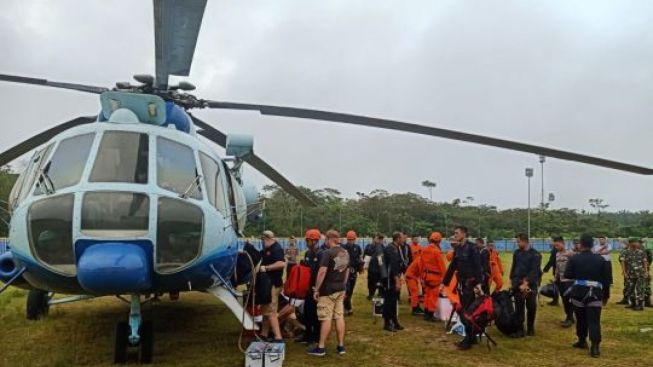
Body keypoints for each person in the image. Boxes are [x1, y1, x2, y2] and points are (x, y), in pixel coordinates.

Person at [564, 234, 612, 358]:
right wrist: (606, 296)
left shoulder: (574, 259)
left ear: (581, 244)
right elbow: (607, 279)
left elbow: (568, 274)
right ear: (592, 245)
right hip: (595, 294)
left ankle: (581, 341)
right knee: (594, 320)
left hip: (579, 292)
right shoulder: (601, 260)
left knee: (581, 319)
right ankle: (595, 347)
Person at [307, 230, 349, 357]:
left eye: (325, 239)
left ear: (330, 239)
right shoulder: (344, 252)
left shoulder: (327, 253)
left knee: (326, 318)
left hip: (327, 290)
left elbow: (322, 272)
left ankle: (321, 348)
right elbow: (345, 271)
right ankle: (341, 346)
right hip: (340, 289)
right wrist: (343, 285)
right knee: (339, 317)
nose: (324, 241)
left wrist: (316, 289)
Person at [442, 225, 482, 350]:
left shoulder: (472, 248)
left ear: (464, 234)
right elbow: (452, 267)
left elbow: (478, 267)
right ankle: (472, 336)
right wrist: (445, 282)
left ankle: (468, 339)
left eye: (457, 233)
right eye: (454, 233)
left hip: (470, 285)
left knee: (467, 312)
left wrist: (478, 284)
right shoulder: (458, 249)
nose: (455, 235)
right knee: (463, 311)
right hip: (461, 284)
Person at [509, 233, 542, 338]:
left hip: (530, 284)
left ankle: (530, 328)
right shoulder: (517, 253)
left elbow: (534, 270)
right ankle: (520, 329)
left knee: (531, 306)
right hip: (517, 283)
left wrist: (526, 283)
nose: (517, 243)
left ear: (525, 241)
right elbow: (514, 267)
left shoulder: (535, 254)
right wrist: (512, 280)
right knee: (519, 307)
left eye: (518, 241)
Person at [259, 230, 287, 342]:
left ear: (267, 239)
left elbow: (281, 263)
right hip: (267, 284)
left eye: (262, 240)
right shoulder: (267, 249)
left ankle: (278, 337)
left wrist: (266, 268)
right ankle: (264, 334)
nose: (261, 242)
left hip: (273, 284)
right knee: (265, 310)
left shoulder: (276, 249)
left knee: (271, 311)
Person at [297, 229, 323, 345]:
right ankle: (307, 335)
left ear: (315, 241)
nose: (307, 242)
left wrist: (317, 288)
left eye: (309, 240)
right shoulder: (308, 253)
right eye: (306, 240)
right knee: (307, 312)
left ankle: (316, 337)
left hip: (316, 289)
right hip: (307, 288)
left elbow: (322, 272)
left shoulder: (322, 254)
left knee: (316, 314)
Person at [382, 232, 406, 332]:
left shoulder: (397, 248)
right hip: (389, 279)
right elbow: (393, 267)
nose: (404, 239)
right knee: (389, 301)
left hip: (395, 278)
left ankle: (394, 321)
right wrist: (396, 281)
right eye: (402, 238)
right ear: (397, 239)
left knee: (394, 301)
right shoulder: (391, 249)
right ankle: (387, 323)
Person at [421, 232, 446, 322]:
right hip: (435, 277)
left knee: (427, 295)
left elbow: (421, 264)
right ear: (438, 240)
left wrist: (422, 277)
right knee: (433, 296)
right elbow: (441, 266)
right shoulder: (436, 251)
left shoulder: (424, 249)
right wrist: (445, 277)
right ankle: (430, 315)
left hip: (426, 276)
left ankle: (426, 313)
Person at [552, 236, 575, 327]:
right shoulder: (557, 254)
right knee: (564, 299)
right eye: (555, 246)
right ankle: (569, 317)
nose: (556, 247)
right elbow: (557, 267)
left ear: (563, 243)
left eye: (557, 245)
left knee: (568, 299)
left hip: (569, 280)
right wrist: (555, 277)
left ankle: (569, 318)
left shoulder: (571, 254)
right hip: (560, 280)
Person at [620, 238, 649, 311]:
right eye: (634, 243)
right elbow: (623, 262)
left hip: (640, 273)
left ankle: (640, 305)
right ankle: (633, 303)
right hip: (630, 273)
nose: (636, 244)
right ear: (630, 243)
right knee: (630, 289)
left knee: (640, 289)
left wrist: (646, 272)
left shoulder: (642, 252)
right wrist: (624, 272)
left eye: (636, 243)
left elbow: (645, 262)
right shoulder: (625, 252)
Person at [341, 230, 363, 316]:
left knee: (350, 291)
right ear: (347, 239)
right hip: (345, 272)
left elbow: (359, 258)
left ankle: (348, 307)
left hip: (354, 272)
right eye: (349, 239)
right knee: (346, 289)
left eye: (352, 239)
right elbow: (341, 261)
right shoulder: (343, 247)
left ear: (355, 239)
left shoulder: (357, 247)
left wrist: (361, 265)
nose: (351, 241)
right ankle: (346, 308)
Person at [364, 234, 385, 300]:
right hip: (371, 268)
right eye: (377, 238)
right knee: (371, 282)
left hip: (379, 268)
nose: (378, 240)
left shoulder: (382, 247)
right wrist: (365, 266)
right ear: (373, 239)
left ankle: (381, 294)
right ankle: (371, 294)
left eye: (379, 239)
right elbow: (365, 256)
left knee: (381, 282)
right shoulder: (369, 246)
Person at [542, 241, 560, 306]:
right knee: (557, 286)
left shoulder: (555, 250)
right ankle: (555, 300)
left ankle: (555, 301)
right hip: (560, 271)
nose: (550, 244)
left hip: (557, 271)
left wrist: (544, 270)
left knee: (556, 286)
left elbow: (551, 261)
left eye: (551, 242)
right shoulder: (557, 250)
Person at [616, 239, 630, 305]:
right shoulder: (624, 251)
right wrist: (624, 270)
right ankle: (626, 299)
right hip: (627, 270)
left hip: (637, 271)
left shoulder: (636, 250)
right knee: (627, 284)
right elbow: (620, 260)